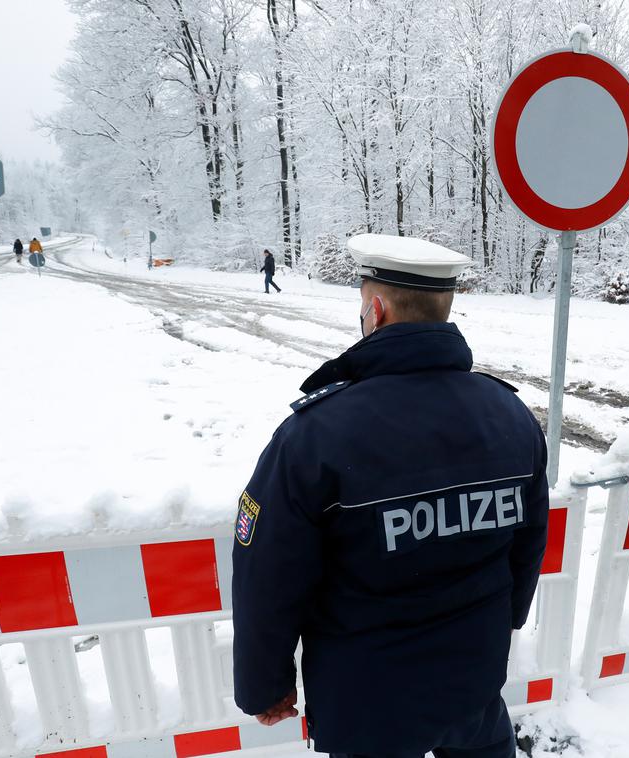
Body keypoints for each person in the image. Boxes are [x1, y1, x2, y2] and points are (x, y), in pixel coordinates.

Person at [232, 233, 550, 758]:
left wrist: (265, 685)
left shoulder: (316, 436)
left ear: (374, 311)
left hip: (366, 698)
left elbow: (267, 573)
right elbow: (529, 541)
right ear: (445, 313)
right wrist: (502, 620)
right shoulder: (510, 416)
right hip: (473, 679)